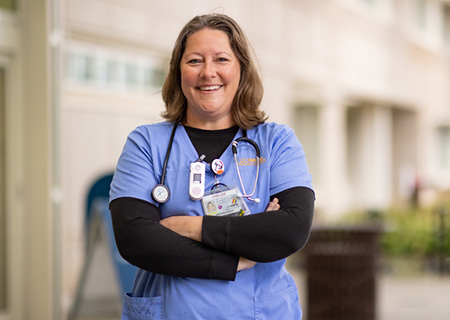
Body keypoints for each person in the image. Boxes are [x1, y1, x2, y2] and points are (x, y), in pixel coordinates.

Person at [109, 13, 315, 319]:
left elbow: (290, 230)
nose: (208, 72)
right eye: (194, 61)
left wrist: (187, 226)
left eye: (221, 59)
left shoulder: (277, 142)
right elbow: (136, 240)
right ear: (178, 72)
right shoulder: (146, 144)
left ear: (241, 69)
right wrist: (235, 259)